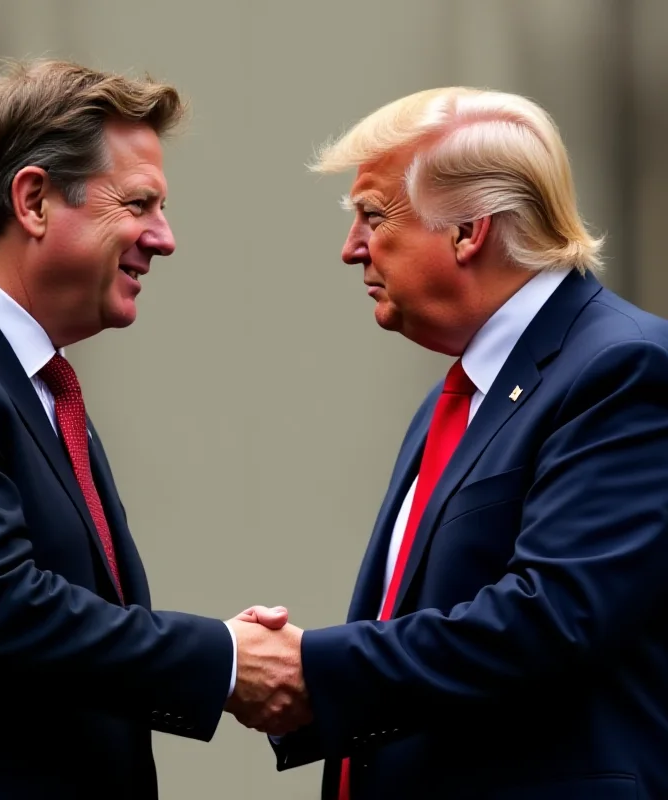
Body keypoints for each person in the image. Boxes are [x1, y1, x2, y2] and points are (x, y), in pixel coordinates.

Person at [0, 58, 306, 800]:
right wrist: (225, 660)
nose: (163, 239)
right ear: (34, 200)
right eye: (139, 204)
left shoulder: (38, 381)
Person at [256, 87, 668, 799]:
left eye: (372, 216)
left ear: (468, 231)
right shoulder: (465, 392)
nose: (351, 248)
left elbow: (552, 617)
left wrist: (310, 670)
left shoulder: (623, 368)